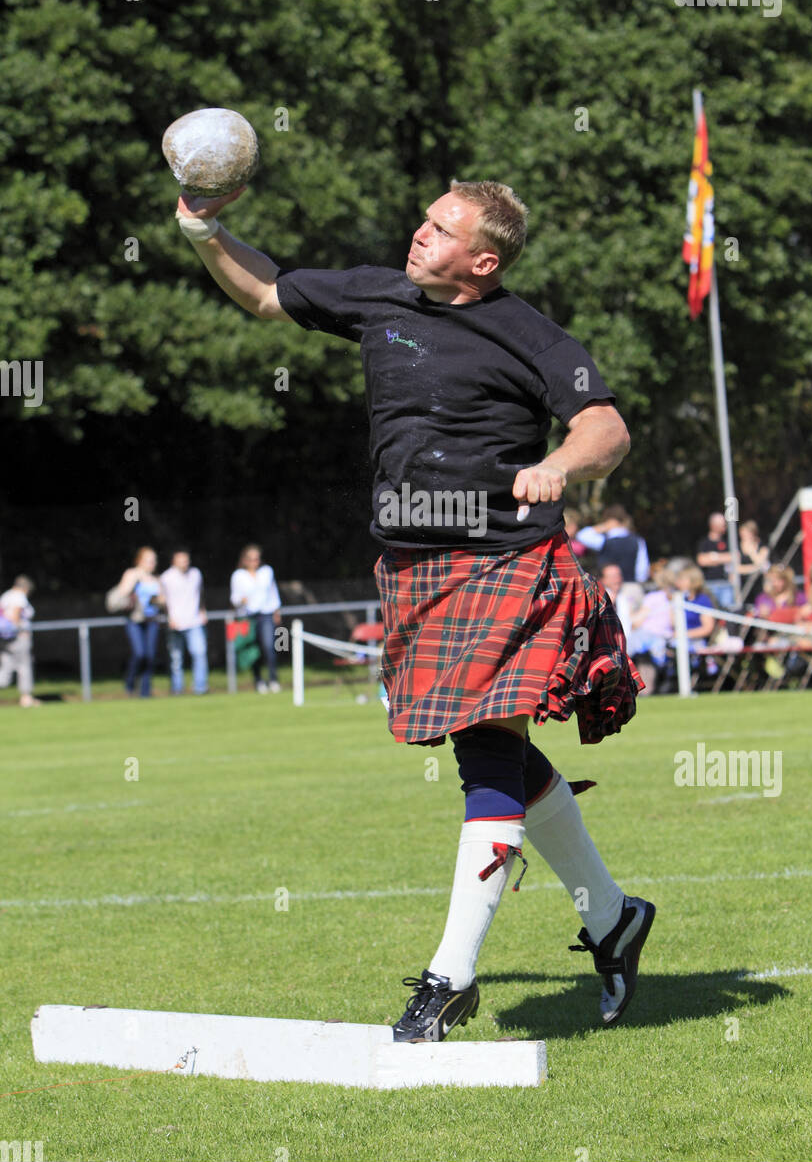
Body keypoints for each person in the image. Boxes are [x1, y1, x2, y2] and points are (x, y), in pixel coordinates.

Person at [175, 176, 652, 1040]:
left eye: (440, 230)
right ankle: (614, 917)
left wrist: (561, 464)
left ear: (483, 259)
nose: (418, 236)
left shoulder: (529, 333)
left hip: (506, 557)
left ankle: (450, 976)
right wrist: (203, 232)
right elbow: (266, 293)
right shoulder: (378, 293)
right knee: (490, 750)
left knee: (485, 763)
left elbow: (606, 428)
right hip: (413, 564)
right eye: (424, 221)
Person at [229, 545, 282, 693]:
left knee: (269, 646)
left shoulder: (267, 572)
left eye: (256, 559)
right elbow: (234, 598)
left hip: (266, 614)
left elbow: (273, 593)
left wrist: (277, 610)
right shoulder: (238, 576)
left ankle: (273, 679)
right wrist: (241, 600)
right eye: (251, 559)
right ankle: (258, 680)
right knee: (253, 650)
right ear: (245, 560)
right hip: (247, 616)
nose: (254, 562)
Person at [114, 547, 164, 697]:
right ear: (140, 560)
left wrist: (157, 601)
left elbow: (162, 600)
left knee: (150, 655)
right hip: (135, 619)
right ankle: (130, 684)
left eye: (154, 560)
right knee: (139, 653)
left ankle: (145, 690)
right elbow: (121, 594)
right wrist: (134, 583)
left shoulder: (156, 579)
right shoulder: (131, 574)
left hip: (151, 620)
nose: (153, 563)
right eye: (149, 560)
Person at [160, 549, 209, 695]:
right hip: (175, 623)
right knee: (176, 659)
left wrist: (202, 610)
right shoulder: (166, 577)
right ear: (174, 561)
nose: (184, 563)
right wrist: (169, 617)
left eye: (186, 559)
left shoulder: (195, 574)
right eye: (181, 560)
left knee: (199, 653)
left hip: (194, 621)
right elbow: (163, 601)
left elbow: (200, 594)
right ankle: (177, 688)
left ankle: (200, 687)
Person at [577, 505, 650, 583]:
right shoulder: (638, 540)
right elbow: (642, 569)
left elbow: (581, 535)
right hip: (630, 585)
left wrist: (604, 526)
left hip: (607, 587)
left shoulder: (603, 541)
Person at [0, 574, 40, 707]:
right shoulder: (19, 596)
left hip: (4, 638)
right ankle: (26, 698)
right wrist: (19, 630)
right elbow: (16, 614)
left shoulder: (6, 595)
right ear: (25, 588)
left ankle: (26, 697)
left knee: (5, 671)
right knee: (24, 666)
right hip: (17, 637)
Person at [696, 512, 735, 608]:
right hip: (709, 584)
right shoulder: (704, 543)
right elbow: (702, 560)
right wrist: (723, 558)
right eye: (722, 525)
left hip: (725, 584)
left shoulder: (728, 542)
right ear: (713, 525)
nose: (724, 527)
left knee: (727, 613)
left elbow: (734, 557)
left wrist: (713, 557)